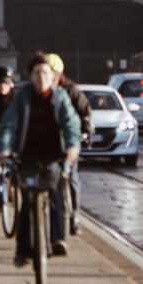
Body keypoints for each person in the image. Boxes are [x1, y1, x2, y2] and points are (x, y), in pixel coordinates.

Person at [0, 51, 80, 266]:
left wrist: (72, 146)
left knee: (55, 192)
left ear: (52, 76)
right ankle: (22, 251)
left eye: (45, 73)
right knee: (27, 201)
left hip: (53, 155)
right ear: (30, 76)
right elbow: (9, 125)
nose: (41, 77)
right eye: (37, 73)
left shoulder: (60, 97)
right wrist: (5, 149)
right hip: (27, 155)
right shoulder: (22, 96)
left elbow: (71, 123)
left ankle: (58, 239)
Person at [44, 53, 91, 235]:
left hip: (68, 140)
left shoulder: (71, 91)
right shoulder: (39, 91)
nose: (50, 78)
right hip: (49, 141)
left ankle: (75, 217)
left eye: (53, 74)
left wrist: (85, 131)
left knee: (72, 178)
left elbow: (85, 111)